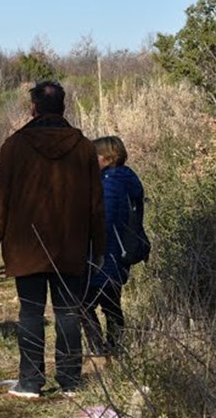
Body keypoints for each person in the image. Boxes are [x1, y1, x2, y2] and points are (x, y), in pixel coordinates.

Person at [0, 81, 105, 398]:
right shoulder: (84, 146)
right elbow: (96, 204)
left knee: (31, 313)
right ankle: (70, 381)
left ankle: (31, 381)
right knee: (68, 312)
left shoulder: (14, 146)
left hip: (26, 247)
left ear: (33, 108)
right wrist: (99, 247)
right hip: (70, 246)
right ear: (63, 107)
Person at [81, 136, 144, 356]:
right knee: (112, 304)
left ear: (108, 157)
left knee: (84, 303)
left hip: (105, 253)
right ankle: (115, 348)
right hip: (123, 252)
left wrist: (91, 248)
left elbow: (103, 222)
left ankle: (100, 350)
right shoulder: (129, 180)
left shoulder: (109, 184)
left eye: (94, 156)